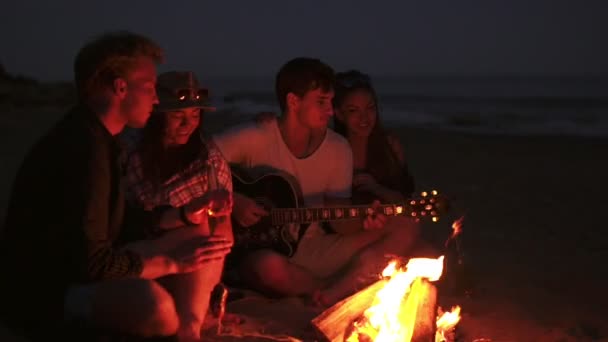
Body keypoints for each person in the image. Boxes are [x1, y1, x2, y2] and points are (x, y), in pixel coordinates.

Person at [0, 31, 232, 341]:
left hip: (87, 267)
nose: (154, 98)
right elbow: (93, 263)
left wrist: (184, 215)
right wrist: (171, 263)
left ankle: (189, 329)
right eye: (149, 87)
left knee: (200, 235)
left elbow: (118, 223)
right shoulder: (83, 150)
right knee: (158, 310)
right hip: (50, 291)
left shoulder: (103, 141)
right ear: (120, 88)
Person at [213, 57, 420, 307]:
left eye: (331, 102)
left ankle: (333, 291)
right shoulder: (257, 136)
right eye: (321, 102)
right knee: (268, 267)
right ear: (293, 101)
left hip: (312, 247)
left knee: (405, 226)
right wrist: (235, 201)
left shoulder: (337, 147)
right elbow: (196, 160)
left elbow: (339, 223)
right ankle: (333, 290)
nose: (331, 111)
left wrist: (365, 220)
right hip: (253, 251)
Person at [124, 71, 234, 340]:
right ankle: (191, 326)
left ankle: (193, 321)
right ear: (158, 113)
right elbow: (137, 222)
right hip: (143, 252)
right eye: (178, 116)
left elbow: (224, 222)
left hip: (196, 261)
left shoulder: (207, 155)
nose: (188, 124)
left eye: (195, 116)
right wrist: (187, 215)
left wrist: (219, 217)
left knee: (210, 240)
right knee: (197, 234)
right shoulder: (133, 155)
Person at [333, 70, 415, 204]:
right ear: (339, 114)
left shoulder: (390, 145)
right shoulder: (332, 150)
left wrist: (377, 189)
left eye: (370, 108)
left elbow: (406, 199)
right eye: (353, 110)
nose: (364, 118)